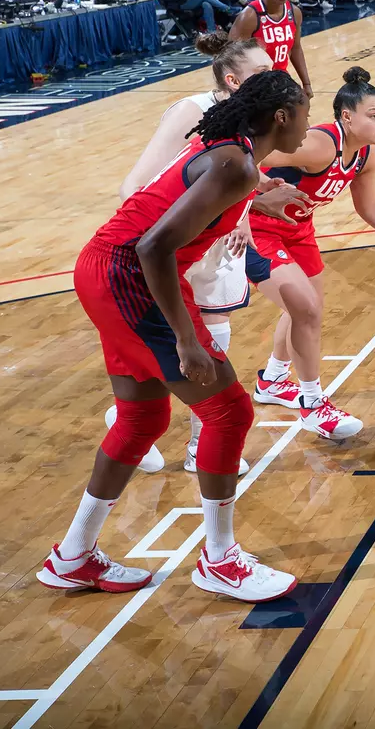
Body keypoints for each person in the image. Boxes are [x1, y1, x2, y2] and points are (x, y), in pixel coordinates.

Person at [43, 70, 310, 603]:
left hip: (106, 269)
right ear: (280, 117)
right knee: (230, 411)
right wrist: (187, 340)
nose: (307, 123)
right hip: (129, 274)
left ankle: (73, 556)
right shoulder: (235, 163)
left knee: (145, 415)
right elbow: (154, 247)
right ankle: (220, 561)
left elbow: (185, 200)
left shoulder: (234, 154)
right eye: (304, 111)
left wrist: (258, 201)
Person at [112, 33, 309, 473]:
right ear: (234, 78)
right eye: (263, 71)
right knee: (182, 340)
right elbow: (141, 184)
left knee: (214, 330)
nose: (275, 75)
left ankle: (189, 440)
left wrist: (248, 206)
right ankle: (135, 420)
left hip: (212, 238)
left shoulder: (250, 125)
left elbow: (216, 185)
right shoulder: (192, 110)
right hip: (167, 243)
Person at [249, 68, 375, 440]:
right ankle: (312, 404)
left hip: (299, 230)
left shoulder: (366, 155)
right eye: (373, 116)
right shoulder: (321, 146)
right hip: (259, 229)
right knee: (305, 309)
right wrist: (259, 194)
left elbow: (369, 210)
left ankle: (272, 380)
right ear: (346, 116)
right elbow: (248, 154)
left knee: (307, 308)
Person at [230, 0, 310, 96]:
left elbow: (295, 48)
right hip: (255, 82)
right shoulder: (250, 15)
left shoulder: (295, 12)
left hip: (281, 78)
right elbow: (230, 55)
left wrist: (306, 84)